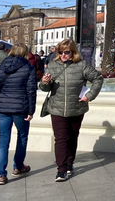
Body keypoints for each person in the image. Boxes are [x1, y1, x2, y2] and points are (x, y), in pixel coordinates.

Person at [40, 38, 103, 182]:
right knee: (61, 139)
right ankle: (61, 170)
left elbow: (98, 78)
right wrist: (44, 82)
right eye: (60, 52)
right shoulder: (52, 65)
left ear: (73, 52)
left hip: (76, 107)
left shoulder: (81, 65)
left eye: (66, 52)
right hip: (57, 107)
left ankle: (69, 162)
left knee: (73, 136)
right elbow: (45, 88)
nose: (63, 55)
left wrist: (89, 96)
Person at [0, 43, 36, 186]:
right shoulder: (29, 68)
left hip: (3, 108)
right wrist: (31, 110)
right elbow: (31, 91)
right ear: (25, 53)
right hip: (20, 108)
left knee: (3, 141)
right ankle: (18, 167)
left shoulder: (2, 66)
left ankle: (1, 175)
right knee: (22, 137)